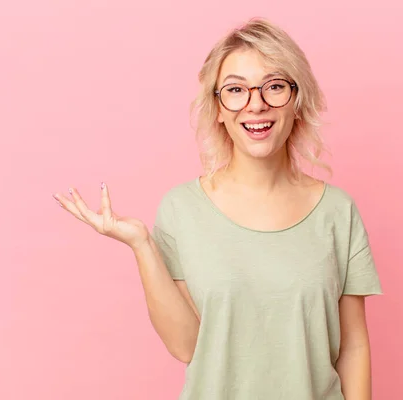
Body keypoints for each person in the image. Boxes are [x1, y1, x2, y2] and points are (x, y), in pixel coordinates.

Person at [52, 18, 382, 400]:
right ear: (218, 109)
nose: (255, 104)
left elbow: (354, 346)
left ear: (297, 101)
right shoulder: (181, 209)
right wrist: (142, 244)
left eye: (274, 87)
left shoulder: (338, 212)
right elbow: (186, 346)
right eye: (235, 90)